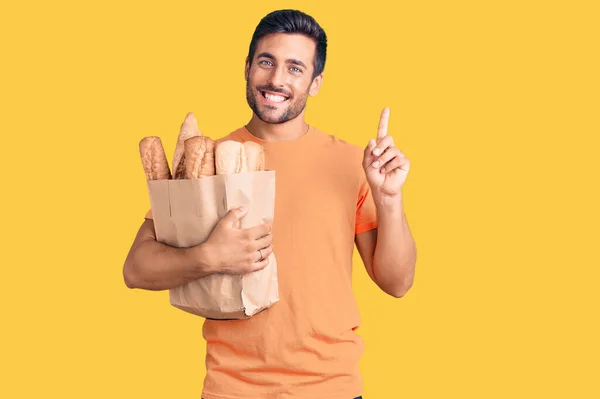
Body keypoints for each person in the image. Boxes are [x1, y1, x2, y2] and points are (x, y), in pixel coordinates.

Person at [123, 9, 417, 399]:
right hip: (232, 389)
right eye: (267, 62)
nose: (277, 79)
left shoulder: (351, 163)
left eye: (295, 68)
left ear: (316, 82)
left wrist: (389, 198)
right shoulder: (209, 160)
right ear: (247, 68)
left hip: (331, 388)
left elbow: (397, 283)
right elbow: (136, 269)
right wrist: (210, 257)